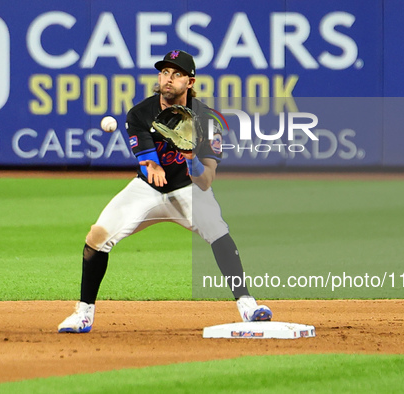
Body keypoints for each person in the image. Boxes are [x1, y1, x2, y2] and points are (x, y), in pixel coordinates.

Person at [58, 50, 272, 333]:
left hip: (188, 189)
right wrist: (153, 167)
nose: (168, 79)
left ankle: (247, 304)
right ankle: (83, 314)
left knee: (218, 231)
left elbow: (206, 180)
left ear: (190, 82)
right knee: (97, 236)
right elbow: (148, 161)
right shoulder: (141, 112)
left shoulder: (207, 120)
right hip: (146, 189)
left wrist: (190, 158)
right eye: (164, 73)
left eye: (177, 74)